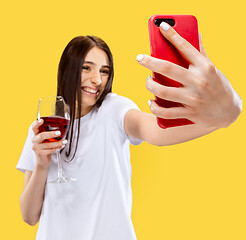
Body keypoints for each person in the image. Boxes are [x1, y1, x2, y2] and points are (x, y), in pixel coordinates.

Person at [16, 22, 242, 240]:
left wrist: (222, 117)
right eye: (86, 68)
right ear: (67, 69)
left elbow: (155, 131)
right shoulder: (44, 128)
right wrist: (42, 164)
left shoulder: (113, 109)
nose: (97, 80)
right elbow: (29, 216)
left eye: (104, 71)